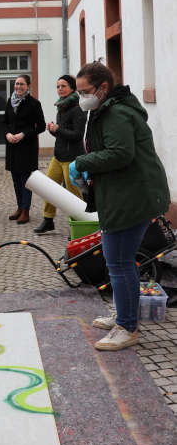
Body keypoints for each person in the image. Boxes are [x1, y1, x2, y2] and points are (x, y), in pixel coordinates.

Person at [70, 62, 170, 351]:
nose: (81, 97)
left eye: (85, 91)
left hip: (132, 198)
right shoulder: (108, 108)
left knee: (119, 261)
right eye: (79, 92)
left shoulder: (117, 113)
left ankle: (127, 327)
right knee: (119, 261)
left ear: (103, 88)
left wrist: (82, 163)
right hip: (126, 194)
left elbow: (120, 153)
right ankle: (123, 314)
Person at [34, 75, 86, 234]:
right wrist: (53, 130)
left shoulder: (78, 108)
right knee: (49, 187)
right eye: (58, 86)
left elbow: (77, 135)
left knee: (73, 192)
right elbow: (62, 134)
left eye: (63, 86)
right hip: (58, 155)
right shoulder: (61, 107)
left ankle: (80, 223)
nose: (60, 89)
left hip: (72, 157)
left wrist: (58, 130)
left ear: (72, 88)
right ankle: (48, 219)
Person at [4, 74, 45, 225]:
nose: (18, 87)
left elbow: (41, 126)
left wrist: (23, 134)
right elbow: (5, 122)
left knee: (25, 180)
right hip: (12, 146)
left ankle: (26, 211)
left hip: (27, 146)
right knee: (15, 178)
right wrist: (7, 133)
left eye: (22, 84)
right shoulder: (10, 101)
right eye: (16, 84)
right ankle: (20, 207)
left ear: (28, 86)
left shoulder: (34, 103)